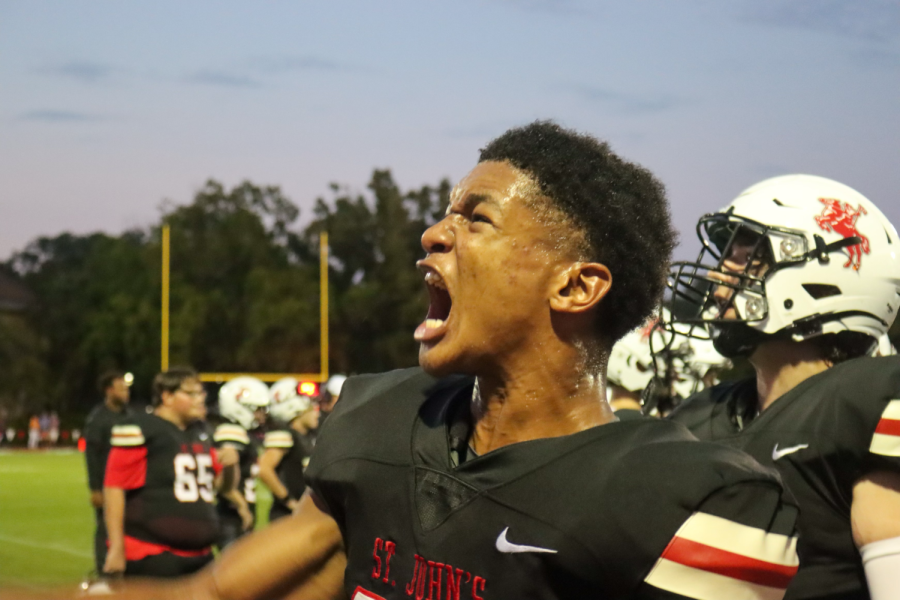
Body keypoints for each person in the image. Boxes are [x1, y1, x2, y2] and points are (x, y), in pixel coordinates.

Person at [47, 121, 800, 600]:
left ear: (576, 284)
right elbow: (217, 593)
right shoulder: (379, 420)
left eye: (476, 219)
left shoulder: (692, 501)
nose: (435, 235)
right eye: (445, 214)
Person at [666, 174, 900, 600]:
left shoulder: (864, 402)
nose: (719, 274)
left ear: (823, 269)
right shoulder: (699, 416)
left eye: (746, 255)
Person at [102, 367, 238, 578]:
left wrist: (231, 467)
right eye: (191, 393)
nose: (200, 399)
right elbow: (114, 489)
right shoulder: (142, 429)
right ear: (167, 396)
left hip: (202, 555)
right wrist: (117, 547)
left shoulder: (202, 431)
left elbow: (223, 487)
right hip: (154, 554)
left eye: (201, 393)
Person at [83, 370, 132, 573]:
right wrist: (95, 488)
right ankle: (104, 568)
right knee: (105, 528)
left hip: (130, 483)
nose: (126, 393)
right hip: (107, 484)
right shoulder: (98, 419)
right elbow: (92, 455)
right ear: (109, 390)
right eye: (121, 388)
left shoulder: (130, 416)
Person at [214, 376, 269, 547]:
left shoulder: (242, 432)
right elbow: (222, 476)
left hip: (235, 513)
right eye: (257, 409)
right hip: (230, 514)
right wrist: (241, 505)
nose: (262, 414)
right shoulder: (231, 431)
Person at [259, 377, 319, 521]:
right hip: (286, 516)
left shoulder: (309, 436)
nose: (317, 411)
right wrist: (289, 501)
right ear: (294, 408)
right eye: (311, 406)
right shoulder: (284, 435)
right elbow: (265, 469)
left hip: (306, 515)